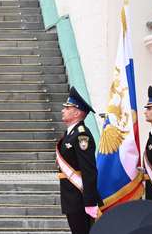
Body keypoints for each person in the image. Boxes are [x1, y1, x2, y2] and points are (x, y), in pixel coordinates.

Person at [56, 87, 100, 234]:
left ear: (77, 112)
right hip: (71, 197)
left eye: (67, 108)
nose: (63, 110)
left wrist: (90, 201)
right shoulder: (70, 134)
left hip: (79, 199)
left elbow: (89, 170)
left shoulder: (82, 136)